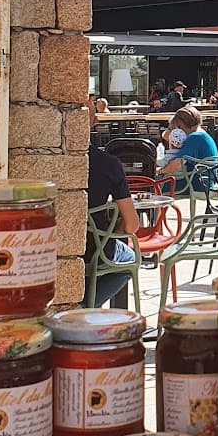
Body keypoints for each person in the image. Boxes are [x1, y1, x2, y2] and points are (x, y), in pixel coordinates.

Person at [85, 97, 140, 305]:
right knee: (130, 260)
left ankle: (82, 303)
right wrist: (116, 227)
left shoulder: (49, 163)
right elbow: (132, 225)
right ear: (94, 123)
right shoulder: (109, 165)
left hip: (50, 247)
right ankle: (87, 305)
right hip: (96, 249)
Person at [161, 107, 218, 195]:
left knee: (158, 186)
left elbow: (176, 165)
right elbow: (165, 135)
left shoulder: (194, 138)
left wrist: (160, 171)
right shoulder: (201, 134)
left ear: (180, 125)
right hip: (205, 182)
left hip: (196, 185)